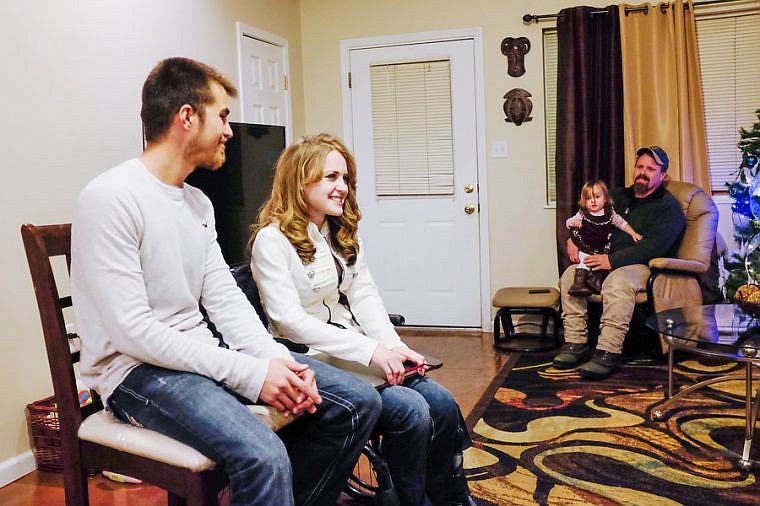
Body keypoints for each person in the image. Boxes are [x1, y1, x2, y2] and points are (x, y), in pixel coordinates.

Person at [70, 58, 381, 506]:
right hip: (137, 373)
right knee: (263, 456)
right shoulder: (109, 198)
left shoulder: (197, 203)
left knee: (357, 403)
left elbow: (226, 302)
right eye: (223, 115)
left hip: (199, 357)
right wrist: (252, 374)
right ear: (186, 117)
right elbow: (132, 332)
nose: (230, 131)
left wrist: (276, 362)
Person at [248, 133, 474, 506]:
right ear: (299, 181)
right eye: (331, 177)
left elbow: (364, 295)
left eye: (346, 178)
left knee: (443, 402)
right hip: (313, 358)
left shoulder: (338, 232)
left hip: (354, 350)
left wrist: (394, 347)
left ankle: (445, 494)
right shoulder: (272, 241)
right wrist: (371, 351)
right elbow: (288, 321)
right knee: (413, 410)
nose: (343, 188)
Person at [553, 146, 686, 380]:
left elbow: (653, 247)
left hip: (644, 265)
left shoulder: (668, 207)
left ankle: (607, 351)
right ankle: (575, 343)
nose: (643, 172)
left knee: (617, 281)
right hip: (601, 257)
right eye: (640, 167)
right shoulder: (617, 196)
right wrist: (571, 241)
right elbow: (584, 220)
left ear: (663, 175)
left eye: (650, 169)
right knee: (570, 275)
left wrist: (611, 261)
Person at [566, 179, 643, 297]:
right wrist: (574, 222)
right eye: (588, 198)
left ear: (605, 199)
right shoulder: (583, 214)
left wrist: (633, 233)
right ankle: (578, 285)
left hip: (601, 247)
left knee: (601, 267)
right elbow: (568, 222)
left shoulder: (610, 214)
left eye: (597, 197)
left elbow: (622, 223)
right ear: (583, 201)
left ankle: (595, 284)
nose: (593, 201)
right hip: (585, 245)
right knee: (586, 260)